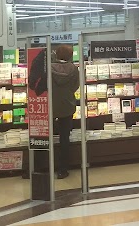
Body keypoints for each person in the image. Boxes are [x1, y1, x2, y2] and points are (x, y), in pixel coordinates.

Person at [51, 45, 79, 179]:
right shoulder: (74, 69)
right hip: (67, 106)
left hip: (51, 106)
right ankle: (63, 170)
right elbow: (75, 86)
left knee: (45, 137)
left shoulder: (49, 68)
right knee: (64, 138)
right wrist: (67, 94)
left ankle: (43, 166)